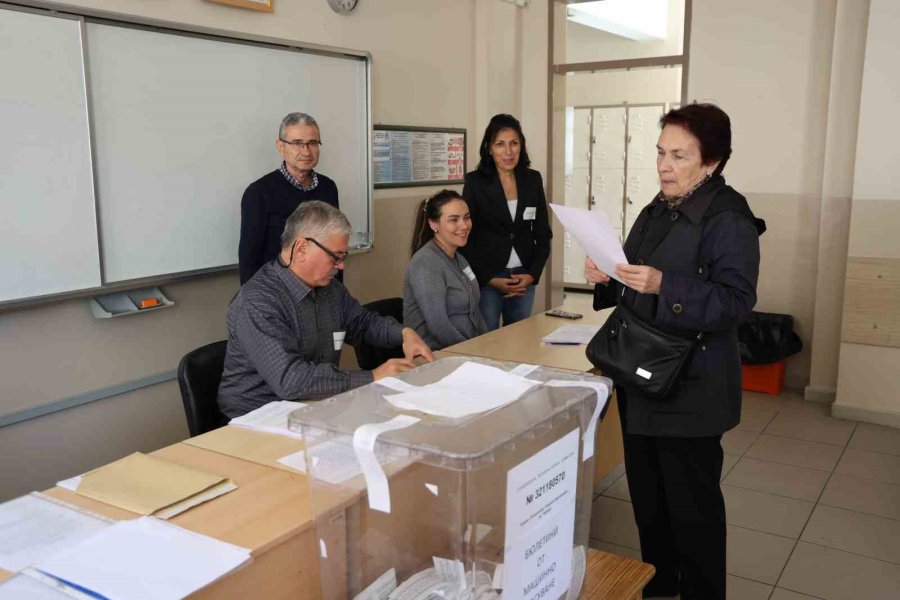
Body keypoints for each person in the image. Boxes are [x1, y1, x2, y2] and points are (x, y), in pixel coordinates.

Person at [585, 104, 764, 600]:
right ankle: (659, 586)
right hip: (641, 379)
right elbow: (633, 275)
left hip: (691, 392)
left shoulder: (729, 218)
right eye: (661, 153)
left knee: (693, 514)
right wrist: (606, 276)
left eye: (679, 156)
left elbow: (736, 302)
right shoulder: (658, 207)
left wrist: (667, 285)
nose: (664, 166)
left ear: (712, 162)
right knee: (650, 505)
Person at [218, 201, 433, 418]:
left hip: (314, 408)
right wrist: (372, 377)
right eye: (335, 257)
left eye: (343, 257)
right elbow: (291, 380)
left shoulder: (331, 290)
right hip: (258, 417)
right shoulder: (257, 302)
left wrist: (403, 333)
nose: (341, 266)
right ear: (302, 249)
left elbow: (362, 323)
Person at [460, 114, 552, 330]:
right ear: (489, 148)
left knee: (519, 336)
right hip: (489, 277)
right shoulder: (475, 182)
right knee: (487, 339)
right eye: (500, 144)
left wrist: (533, 274)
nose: (508, 152)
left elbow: (543, 234)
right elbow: (466, 237)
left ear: (521, 146)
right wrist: (488, 278)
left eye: (514, 143)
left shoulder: (532, 180)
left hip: (523, 276)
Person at [238, 112, 339, 284]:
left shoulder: (328, 188)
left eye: (312, 143)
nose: (306, 151)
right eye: (297, 143)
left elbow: (335, 245)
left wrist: (338, 291)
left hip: (323, 288)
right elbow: (249, 260)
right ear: (280, 146)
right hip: (278, 290)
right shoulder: (259, 193)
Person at [403, 190, 487, 350]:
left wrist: (487, 342)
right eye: (453, 220)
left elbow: (475, 310)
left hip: (468, 349)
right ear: (433, 224)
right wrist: (473, 352)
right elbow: (438, 326)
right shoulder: (426, 262)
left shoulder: (459, 259)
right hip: (437, 353)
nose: (464, 225)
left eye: (467, 217)